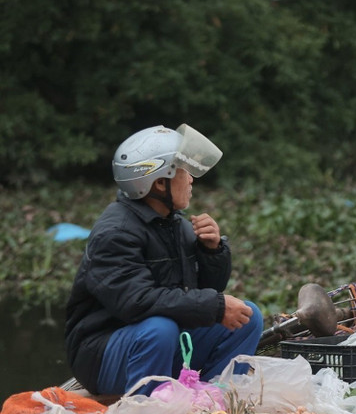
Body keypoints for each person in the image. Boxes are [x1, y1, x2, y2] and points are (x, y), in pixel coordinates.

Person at [65, 124, 263, 396]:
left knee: (247, 317)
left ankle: (213, 402)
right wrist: (214, 307)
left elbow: (208, 289)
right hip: (102, 355)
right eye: (184, 172)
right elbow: (137, 302)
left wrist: (212, 251)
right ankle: (149, 413)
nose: (191, 179)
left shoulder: (176, 225)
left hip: (163, 340)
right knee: (160, 328)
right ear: (159, 182)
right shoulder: (115, 233)